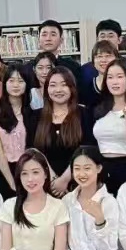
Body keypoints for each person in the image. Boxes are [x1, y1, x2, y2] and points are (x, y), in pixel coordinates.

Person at [33, 66, 93, 196]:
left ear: (72, 88)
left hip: (78, 184)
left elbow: (87, 149)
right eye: (53, 85)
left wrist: (65, 179)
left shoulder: (84, 114)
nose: (58, 90)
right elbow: (33, 150)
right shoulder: (35, 116)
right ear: (46, 89)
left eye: (64, 85)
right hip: (44, 185)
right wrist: (53, 178)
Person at [0, 64, 35, 199]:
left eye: (20, 81)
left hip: (28, 169)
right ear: (5, 84)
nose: (16, 85)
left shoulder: (32, 112)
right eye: (11, 81)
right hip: (2, 170)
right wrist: (12, 182)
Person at [91, 60, 126, 195]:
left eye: (119, 77)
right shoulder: (99, 110)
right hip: (102, 170)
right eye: (110, 77)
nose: (114, 82)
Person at [80, 19, 126, 97]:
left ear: (119, 39)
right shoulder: (86, 70)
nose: (106, 39)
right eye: (102, 36)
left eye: (111, 36)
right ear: (97, 40)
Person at [78, 40, 121, 109]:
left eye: (108, 56)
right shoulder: (86, 87)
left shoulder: (124, 84)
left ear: (117, 59)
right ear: (93, 61)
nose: (103, 60)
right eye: (99, 56)